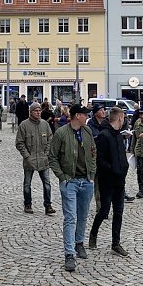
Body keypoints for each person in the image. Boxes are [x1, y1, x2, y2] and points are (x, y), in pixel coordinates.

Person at [48, 103, 96, 273]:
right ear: (77, 116)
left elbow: (93, 152)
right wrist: (62, 177)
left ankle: (79, 243)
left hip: (86, 181)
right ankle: (69, 254)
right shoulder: (61, 133)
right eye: (85, 114)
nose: (87, 117)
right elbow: (52, 157)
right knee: (70, 217)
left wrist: (92, 175)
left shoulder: (87, 131)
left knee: (83, 216)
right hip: (70, 181)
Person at [89, 107, 130, 257]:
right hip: (107, 181)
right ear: (119, 118)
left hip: (120, 181)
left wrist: (123, 168)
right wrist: (112, 169)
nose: (124, 120)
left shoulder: (118, 135)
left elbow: (122, 156)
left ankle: (115, 243)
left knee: (118, 212)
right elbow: (98, 159)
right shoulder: (104, 136)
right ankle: (93, 234)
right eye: (123, 118)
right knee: (104, 211)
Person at [15, 102, 56, 215]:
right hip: (29, 160)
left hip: (43, 159)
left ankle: (48, 205)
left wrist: (46, 153)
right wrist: (27, 156)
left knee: (47, 183)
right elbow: (19, 143)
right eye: (36, 111)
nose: (38, 112)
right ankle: (27, 204)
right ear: (30, 112)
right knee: (27, 184)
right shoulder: (24, 125)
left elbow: (50, 139)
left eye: (39, 110)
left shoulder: (45, 124)